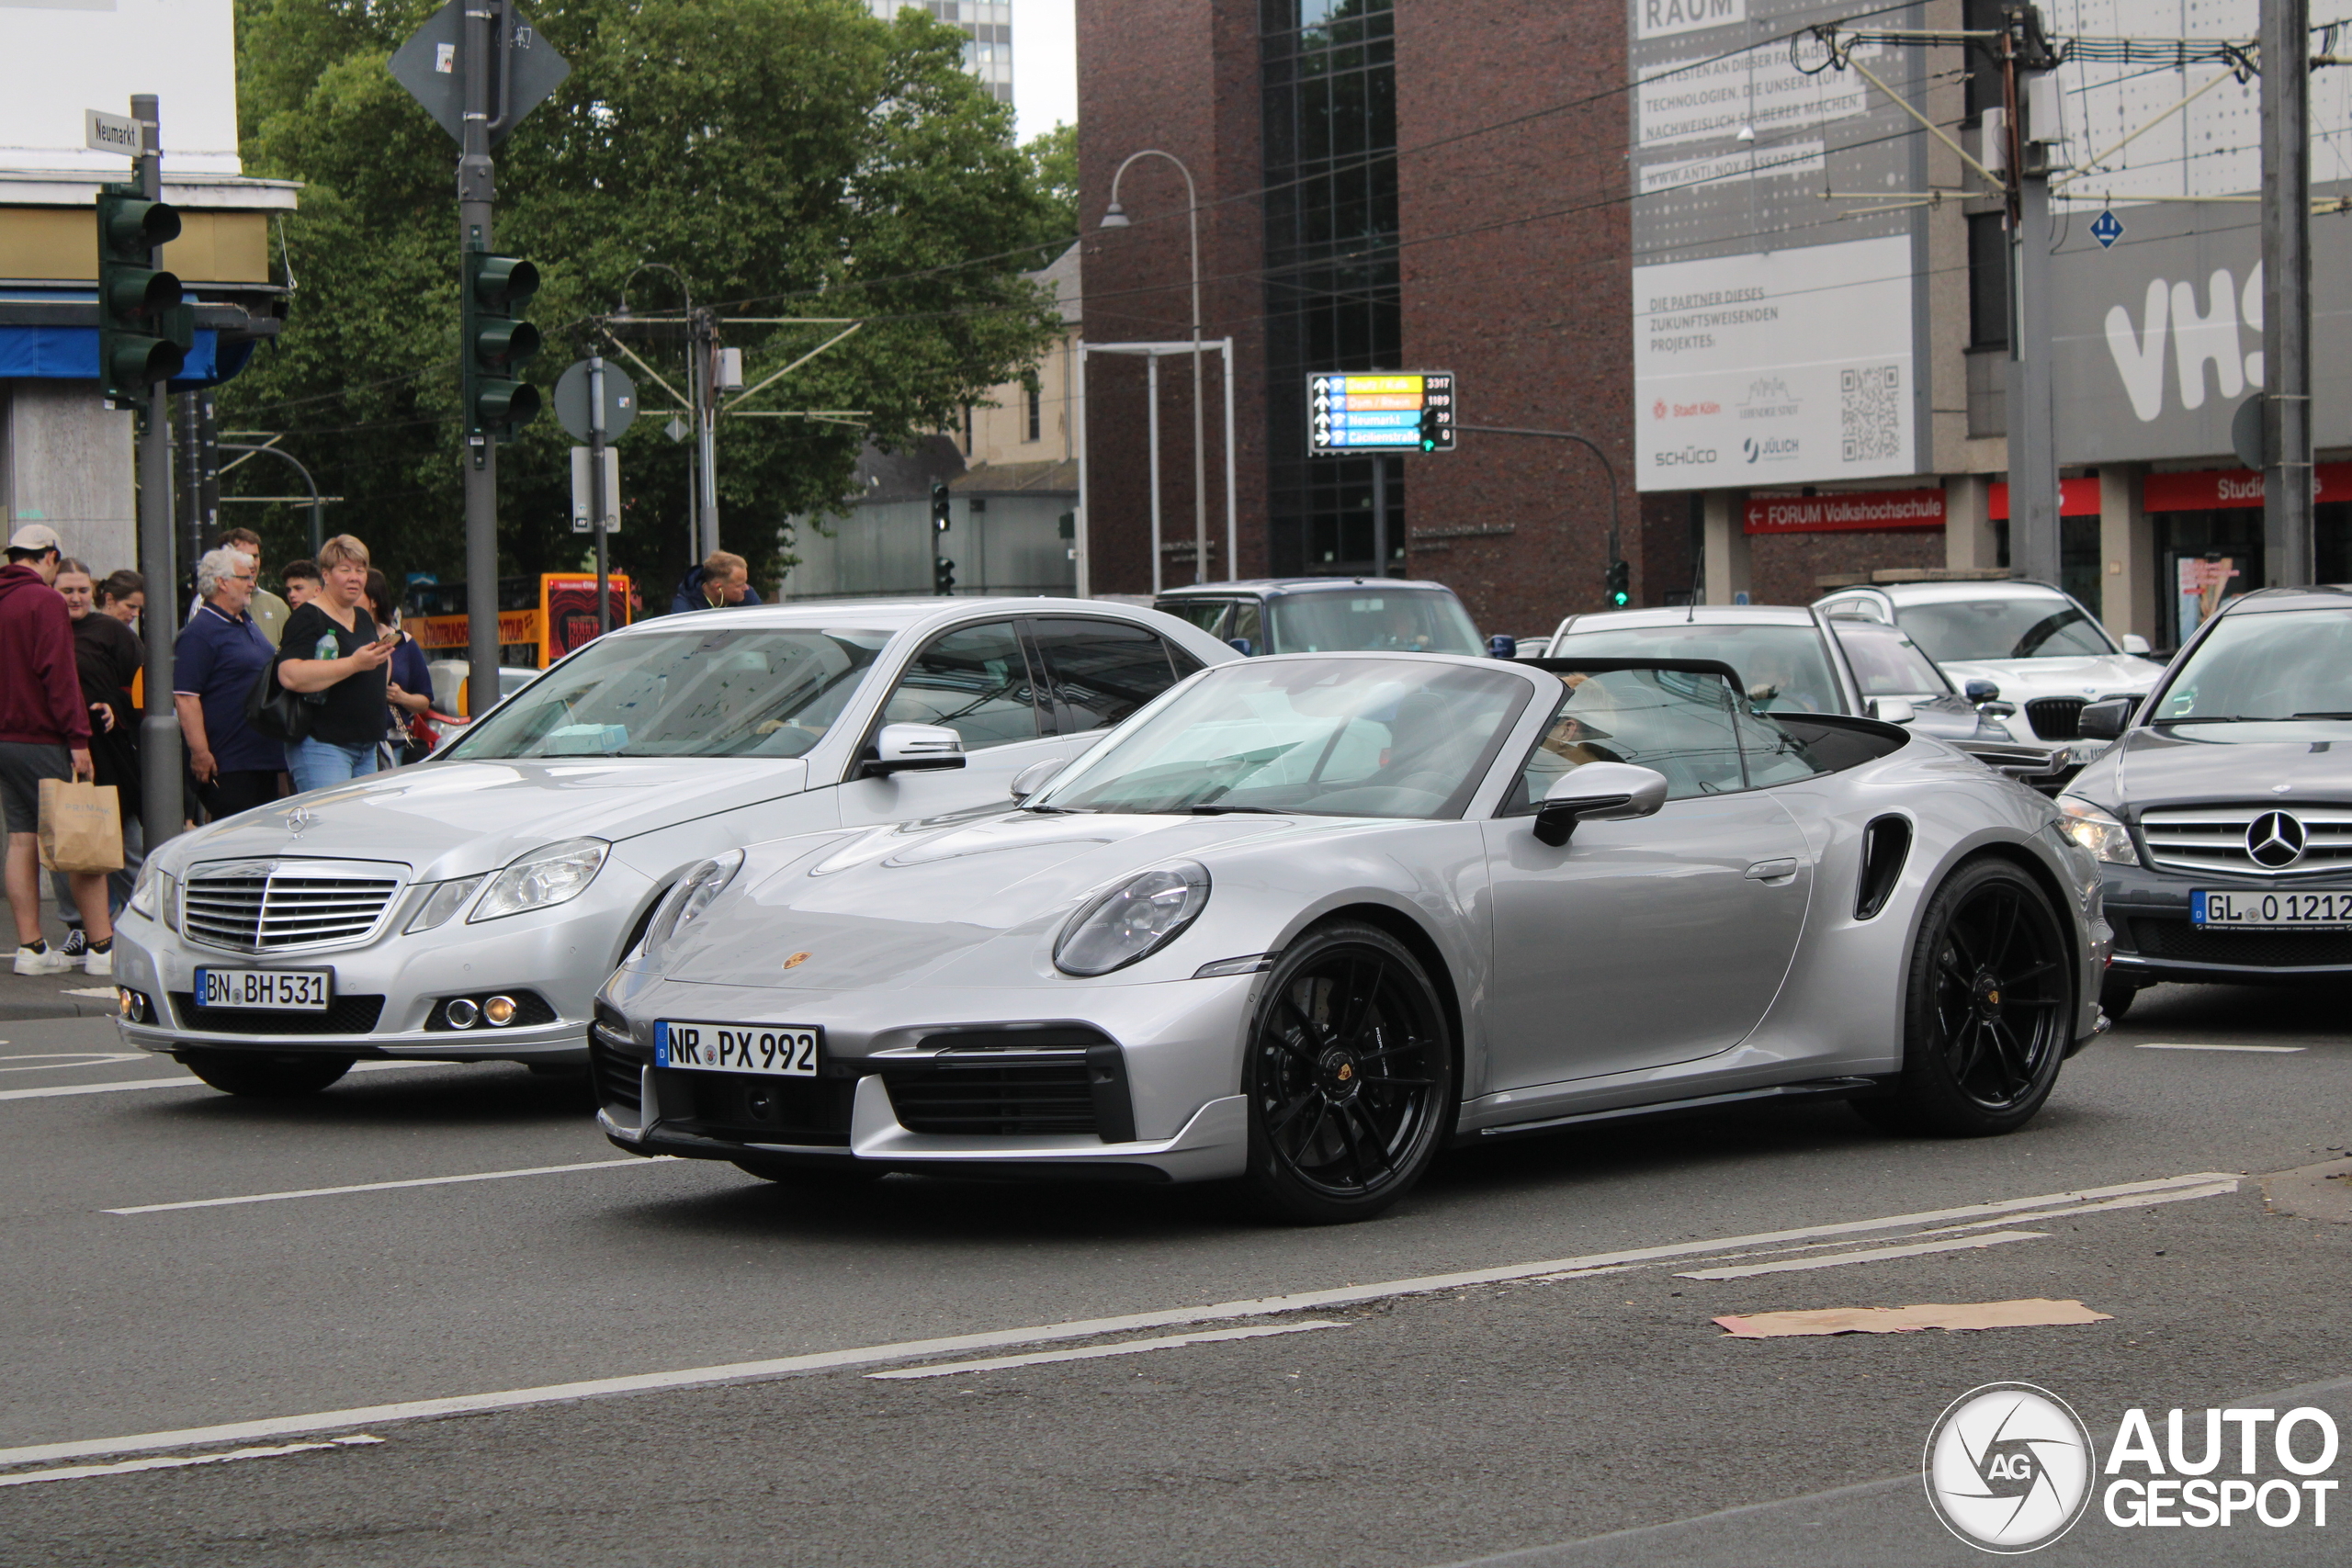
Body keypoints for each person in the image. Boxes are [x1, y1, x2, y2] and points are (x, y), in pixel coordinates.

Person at [0, 525, 115, 976]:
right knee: (80, 833)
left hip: (5, 739)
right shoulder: (44, 602)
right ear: (49, 556)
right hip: (43, 736)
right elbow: (58, 673)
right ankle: (103, 947)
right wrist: (79, 738)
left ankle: (30, 947)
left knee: (21, 839)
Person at [49, 560, 144, 956]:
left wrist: (115, 707)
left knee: (126, 842)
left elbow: (141, 688)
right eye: (66, 590)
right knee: (65, 842)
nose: (74, 598)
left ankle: (144, 921)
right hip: (57, 752)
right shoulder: (45, 629)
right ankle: (81, 927)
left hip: (110, 754)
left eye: (81, 590)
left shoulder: (113, 632)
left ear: (95, 592)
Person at [175, 546, 285, 820]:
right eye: (245, 578)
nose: (252, 584)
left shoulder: (244, 622)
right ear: (222, 582)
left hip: (261, 758)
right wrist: (200, 752)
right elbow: (186, 697)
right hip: (230, 762)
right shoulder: (200, 633)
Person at [276, 534, 392, 792]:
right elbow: (290, 674)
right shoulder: (308, 617)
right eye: (346, 570)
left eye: (361, 570)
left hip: (366, 745)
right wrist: (354, 663)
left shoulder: (362, 617)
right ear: (326, 575)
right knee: (332, 827)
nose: (355, 577)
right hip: (323, 745)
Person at [368, 570, 436, 766]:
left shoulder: (403, 642)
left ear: (373, 601)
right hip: (355, 741)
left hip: (394, 743)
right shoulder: (344, 638)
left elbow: (425, 700)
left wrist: (401, 698)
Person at [188, 527, 291, 646]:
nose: (252, 563)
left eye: (255, 556)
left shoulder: (277, 605)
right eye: (244, 556)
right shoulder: (206, 602)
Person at [670, 549, 763, 614]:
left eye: (745, 582)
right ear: (718, 588)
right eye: (739, 585)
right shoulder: (685, 606)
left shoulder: (747, 595)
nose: (746, 588)